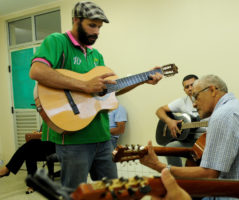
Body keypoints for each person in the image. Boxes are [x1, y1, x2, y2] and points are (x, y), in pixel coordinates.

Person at [29, 1, 162, 190]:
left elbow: (110, 90)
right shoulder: (57, 41)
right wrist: (84, 85)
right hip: (73, 138)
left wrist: (143, 79)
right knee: (74, 193)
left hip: (102, 137)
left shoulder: (96, 55)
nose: (97, 32)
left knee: (112, 191)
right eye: (92, 25)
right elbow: (37, 71)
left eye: (99, 27)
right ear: (76, 20)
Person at [141, 74, 239, 200]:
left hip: (233, 194)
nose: (194, 104)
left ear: (212, 90)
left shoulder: (222, 116)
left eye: (196, 97)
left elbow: (209, 174)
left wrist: (159, 166)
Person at [156, 74, 206, 166]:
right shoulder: (182, 102)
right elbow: (159, 110)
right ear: (184, 90)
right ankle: (177, 174)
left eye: (192, 85)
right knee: (169, 148)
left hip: (206, 140)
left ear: (200, 84)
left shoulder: (208, 100)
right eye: (187, 87)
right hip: (189, 140)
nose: (190, 88)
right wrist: (169, 121)